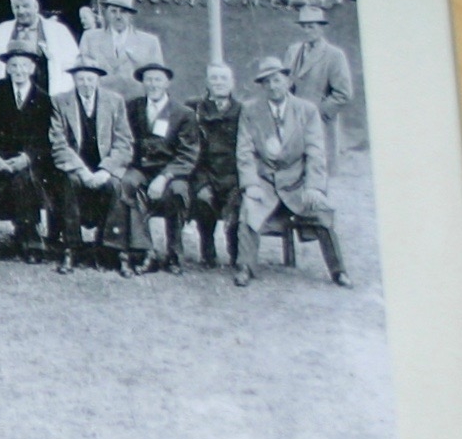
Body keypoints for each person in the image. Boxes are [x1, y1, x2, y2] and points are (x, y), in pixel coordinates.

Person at [237, 55, 349, 288]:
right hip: (265, 181)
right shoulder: (251, 110)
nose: (272, 86)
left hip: (298, 181)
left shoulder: (306, 110)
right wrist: (251, 184)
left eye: (277, 80)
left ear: (287, 81)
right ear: (262, 86)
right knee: (249, 210)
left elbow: (316, 151)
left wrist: (314, 186)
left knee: (322, 212)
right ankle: (245, 267)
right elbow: (244, 151)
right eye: (266, 82)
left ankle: (339, 271)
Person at [49, 60, 139, 275]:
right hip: (75, 167)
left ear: (98, 80)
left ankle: (111, 249)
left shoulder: (114, 101)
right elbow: (58, 143)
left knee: (116, 185)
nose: (86, 84)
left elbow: (124, 142)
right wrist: (82, 171)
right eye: (81, 79)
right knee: (70, 183)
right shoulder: (60, 102)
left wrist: (105, 170)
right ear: (74, 80)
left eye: (90, 79)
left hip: (104, 168)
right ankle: (71, 248)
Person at [0, 38, 58, 260]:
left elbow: (43, 138)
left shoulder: (43, 98)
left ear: (32, 68)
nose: (19, 70)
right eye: (14, 65)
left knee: (26, 180)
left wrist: (27, 158)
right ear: (7, 68)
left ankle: (29, 236)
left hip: (26, 160)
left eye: (24, 65)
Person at [124, 61, 204, 274]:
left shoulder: (183, 113)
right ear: (143, 83)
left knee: (177, 192)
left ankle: (174, 253)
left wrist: (165, 176)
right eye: (148, 80)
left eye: (158, 80)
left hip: (171, 171)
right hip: (141, 169)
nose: (153, 84)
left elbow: (188, 154)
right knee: (127, 184)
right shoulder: (132, 108)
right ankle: (145, 251)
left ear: (167, 83)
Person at [185, 61, 246, 272]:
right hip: (204, 172)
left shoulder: (241, 110)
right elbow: (190, 149)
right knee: (203, 200)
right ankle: (207, 252)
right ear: (207, 82)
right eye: (214, 78)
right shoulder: (195, 109)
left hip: (233, 174)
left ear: (232, 82)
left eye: (223, 78)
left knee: (236, 205)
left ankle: (236, 253)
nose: (219, 82)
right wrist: (201, 182)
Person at [283, 4, 358, 153]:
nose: (306, 31)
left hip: (320, 124)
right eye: (303, 27)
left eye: (311, 27)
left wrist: (315, 114)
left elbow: (343, 94)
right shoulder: (293, 51)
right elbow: (285, 84)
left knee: (319, 162)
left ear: (321, 28)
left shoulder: (334, 55)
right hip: (293, 124)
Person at [0, 0, 83, 93]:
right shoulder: (1, 31)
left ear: (36, 6)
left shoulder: (59, 31)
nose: (21, 11)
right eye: (16, 7)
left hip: (48, 93)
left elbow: (72, 64)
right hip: (11, 94)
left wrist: (60, 93)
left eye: (25, 6)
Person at [76, 0, 164, 102]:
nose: (118, 16)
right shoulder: (90, 38)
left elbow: (158, 79)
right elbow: (81, 73)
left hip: (135, 103)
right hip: (101, 103)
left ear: (130, 15)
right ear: (106, 13)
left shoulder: (149, 42)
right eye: (113, 11)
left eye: (123, 11)